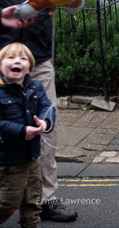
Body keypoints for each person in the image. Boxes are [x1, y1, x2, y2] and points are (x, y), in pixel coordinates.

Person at [0, 0, 77, 223]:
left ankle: (43, 201)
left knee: (45, 128)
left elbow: (72, 1)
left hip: (38, 57)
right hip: (1, 57)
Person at [0, 43, 55, 228]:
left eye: (23, 59)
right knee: (8, 203)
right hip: (9, 161)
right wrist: (22, 131)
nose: (17, 61)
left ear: (30, 67)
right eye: (11, 58)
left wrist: (45, 122)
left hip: (32, 157)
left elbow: (47, 107)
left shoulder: (35, 87)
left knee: (33, 201)